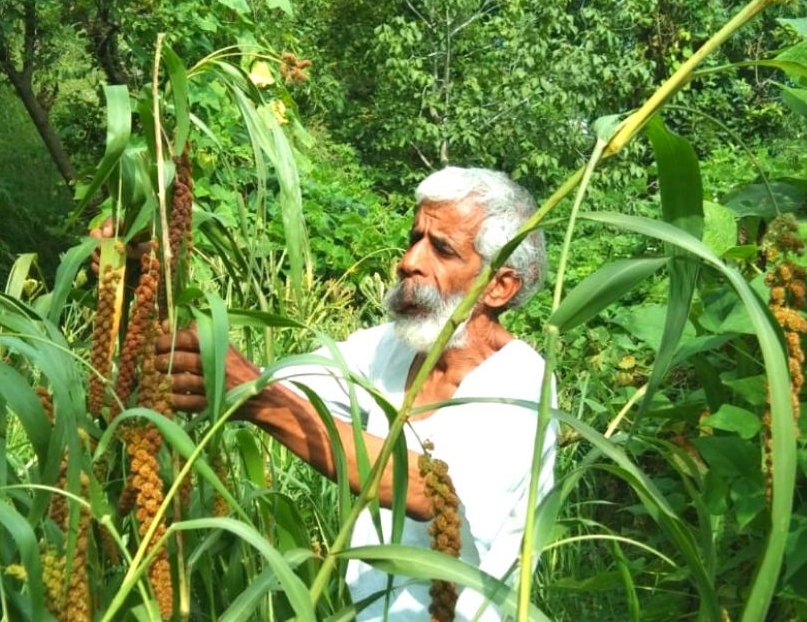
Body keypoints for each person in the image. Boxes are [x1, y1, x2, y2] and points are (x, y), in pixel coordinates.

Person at [157, 166, 557, 620]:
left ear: (499, 286)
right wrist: (151, 277)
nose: (409, 261)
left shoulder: (521, 383)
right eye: (414, 239)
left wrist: (257, 399)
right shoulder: (394, 347)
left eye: (441, 249)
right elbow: (277, 382)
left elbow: (428, 490)